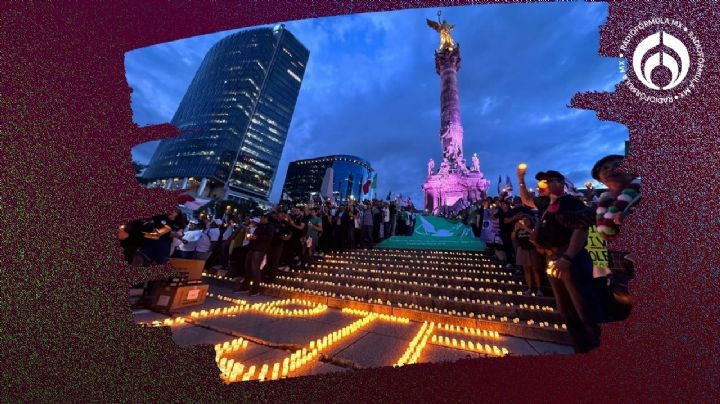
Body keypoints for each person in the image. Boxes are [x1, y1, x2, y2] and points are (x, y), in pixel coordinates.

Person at [534, 170, 604, 353]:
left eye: (548, 181)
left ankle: (598, 350)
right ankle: (581, 349)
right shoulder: (548, 206)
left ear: (560, 182)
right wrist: (519, 179)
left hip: (569, 260)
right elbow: (527, 201)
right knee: (566, 309)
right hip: (554, 259)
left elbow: (581, 228)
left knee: (584, 308)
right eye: (542, 183)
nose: (544, 185)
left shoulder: (569, 201)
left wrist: (568, 256)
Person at [591, 154, 640, 306]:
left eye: (618, 164)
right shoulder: (600, 206)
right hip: (616, 273)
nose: (612, 168)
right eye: (605, 168)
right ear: (600, 179)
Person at [234, 214, 276, 296]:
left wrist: (257, 237)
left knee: (255, 269)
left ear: (266, 218)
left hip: (260, 249)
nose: (260, 219)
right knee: (247, 267)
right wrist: (251, 237)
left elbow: (268, 238)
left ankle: (255, 289)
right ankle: (245, 286)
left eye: (262, 218)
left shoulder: (270, 227)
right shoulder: (260, 226)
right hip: (252, 248)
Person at [512, 215, 542, 296]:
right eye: (523, 219)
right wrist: (515, 229)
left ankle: (539, 289)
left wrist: (526, 228)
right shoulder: (519, 229)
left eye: (526, 219)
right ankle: (530, 288)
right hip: (522, 249)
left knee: (535, 269)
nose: (524, 221)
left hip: (532, 249)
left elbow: (535, 234)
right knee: (526, 270)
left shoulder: (533, 227)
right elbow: (513, 237)